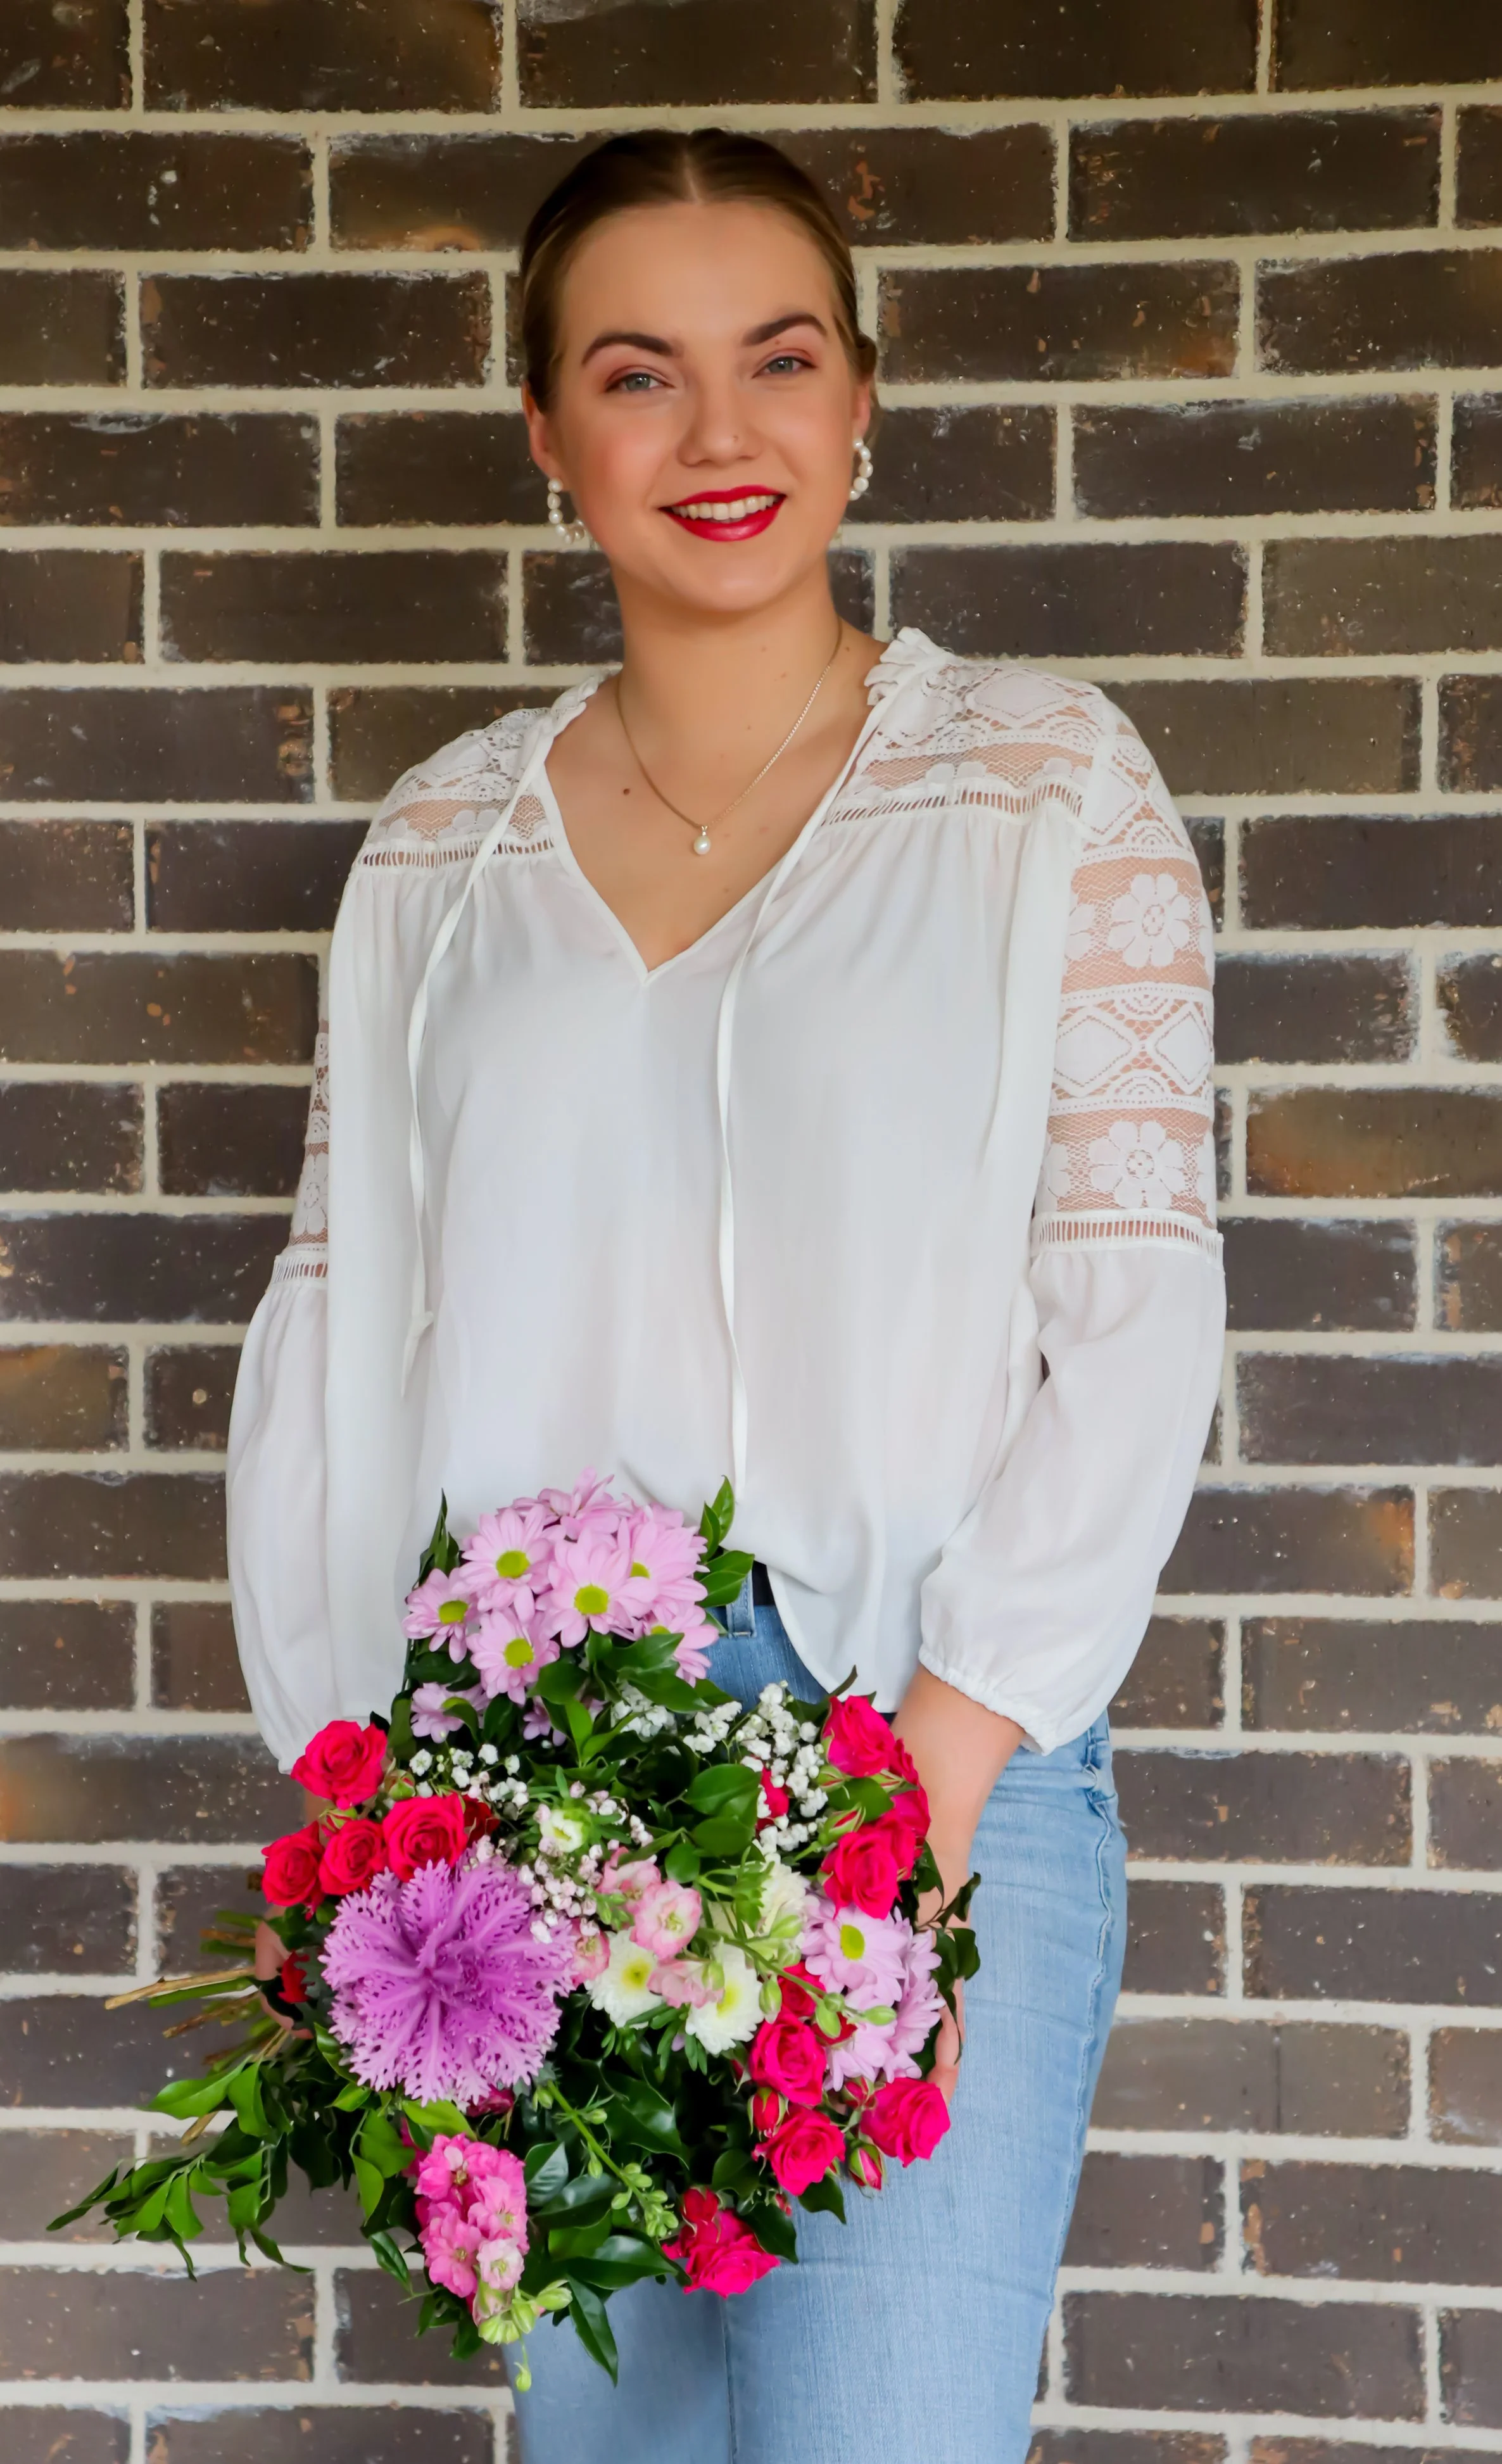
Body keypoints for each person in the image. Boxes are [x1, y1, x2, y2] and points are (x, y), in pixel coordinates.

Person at [227, 129, 1224, 2464]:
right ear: (549, 436)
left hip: (917, 1731)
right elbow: (336, 1322)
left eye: (777, 361)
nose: (719, 435)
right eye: (637, 374)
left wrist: (936, 1804)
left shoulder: (1036, 787)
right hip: (522, 1783)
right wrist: (354, 1792)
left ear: (860, 400)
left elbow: (1135, 1315)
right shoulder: (441, 852)